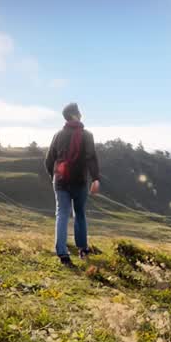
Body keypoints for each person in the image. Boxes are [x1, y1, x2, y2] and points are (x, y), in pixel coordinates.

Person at [44, 102, 100, 265]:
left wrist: (53, 176)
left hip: (60, 181)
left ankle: (62, 253)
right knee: (79, 214)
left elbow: (49, 160)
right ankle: (82, 249)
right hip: (80, 181)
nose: (81, 114)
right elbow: (91, 158)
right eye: (79, 112)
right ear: (74, 115)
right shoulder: (87, 135)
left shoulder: (58, 135)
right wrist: (95, 178)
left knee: (61, 214)